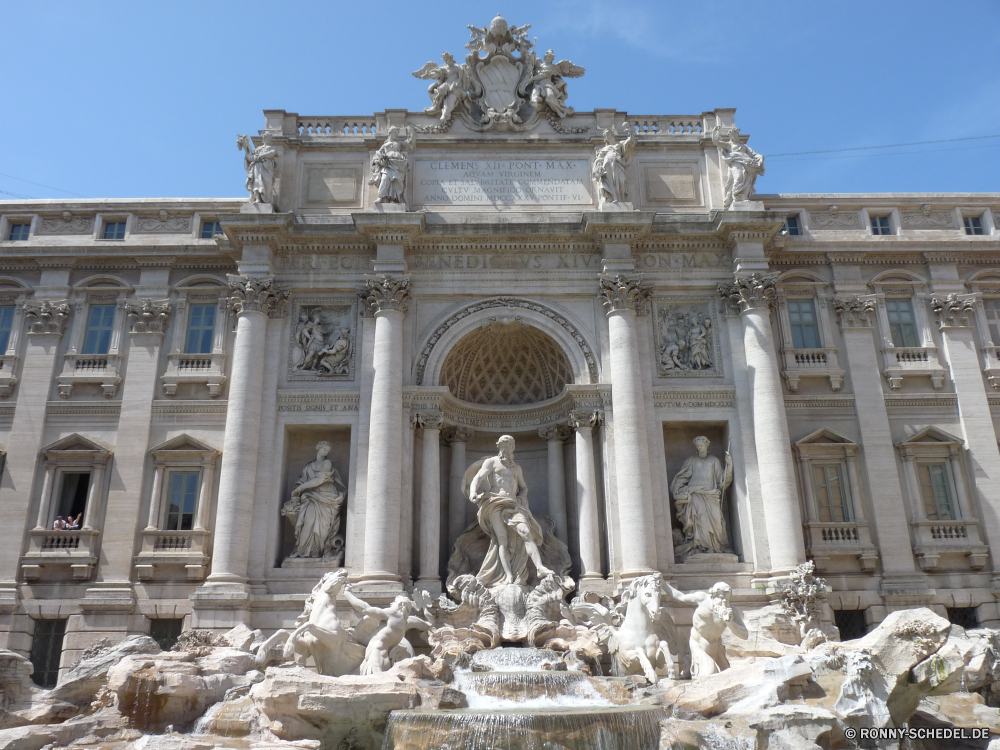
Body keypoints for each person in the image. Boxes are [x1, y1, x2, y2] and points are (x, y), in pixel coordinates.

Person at [469, 435, 553, 587]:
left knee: (526, 532)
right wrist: (472, 492)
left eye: (509, 446)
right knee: (502, 540)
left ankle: (540, 567)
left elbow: (524, 487)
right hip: (494, 502)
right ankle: (507, 575)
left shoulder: (516, 468)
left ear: (513, 448)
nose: (506, 448)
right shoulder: (491, 462)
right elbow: (478, 477)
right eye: (503, 445)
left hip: (513, 505)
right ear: (499, 447)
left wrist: (522, 498)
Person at [663, 581, 747, 676]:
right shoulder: (702, 598)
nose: (723, 600)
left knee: (728, 675)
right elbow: (681, 597)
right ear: (713, 594)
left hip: (716, 646)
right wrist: (663, 584)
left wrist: (730, 623)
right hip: (698, 644)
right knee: (710, 673)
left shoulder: (732, 611)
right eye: (719, 596)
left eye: (726, 597)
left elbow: (744, 635)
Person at [342, 586, 431, 675]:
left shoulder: (394, 614)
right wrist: (425, 608)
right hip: (383, 658)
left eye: (394, 603)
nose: (391, 605)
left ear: (401, 605)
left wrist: (347, 593)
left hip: (375, 658)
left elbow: (366, 609)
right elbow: (429, 625)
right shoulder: (403, 624)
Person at [282, 441, 346, 560]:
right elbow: (301, 480)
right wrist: (297, 489)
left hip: (326, 497)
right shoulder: (308, 466)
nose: (325, 452)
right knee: (308, 523)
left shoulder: (327, 463)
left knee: (322, 527)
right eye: (324, 449)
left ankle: (316, 551)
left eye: (327, 450)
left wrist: (301, 488)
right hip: (311, 497)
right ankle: (302, 550)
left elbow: (319, 480)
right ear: (318, 448)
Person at [671, 436, 733, 556]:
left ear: (706, 445)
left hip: (711, 495)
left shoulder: (714, 460)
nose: (699, 448)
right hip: (696, 495)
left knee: (716, 522)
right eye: (697, 446)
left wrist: (729, 466)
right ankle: (701, 546)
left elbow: (722, 480)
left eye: (701, 445)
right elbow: (683, 477)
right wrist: (677, 489)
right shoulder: (692, 460)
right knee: (699, 521)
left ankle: (716, 547)